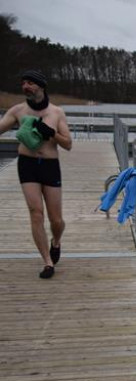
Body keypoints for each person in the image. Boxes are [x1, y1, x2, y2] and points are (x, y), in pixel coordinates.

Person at [0, 70, 72, 279]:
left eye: (30, 83)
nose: (26, 86)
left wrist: (52, 134)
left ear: (41, 86)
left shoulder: (56, 113)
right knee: (35, 212)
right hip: (27, 164)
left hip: (49, 165)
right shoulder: (18, 111)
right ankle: (47, 262)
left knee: (56, 220)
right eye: (23, 83)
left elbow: (67, 144)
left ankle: (56, 242)